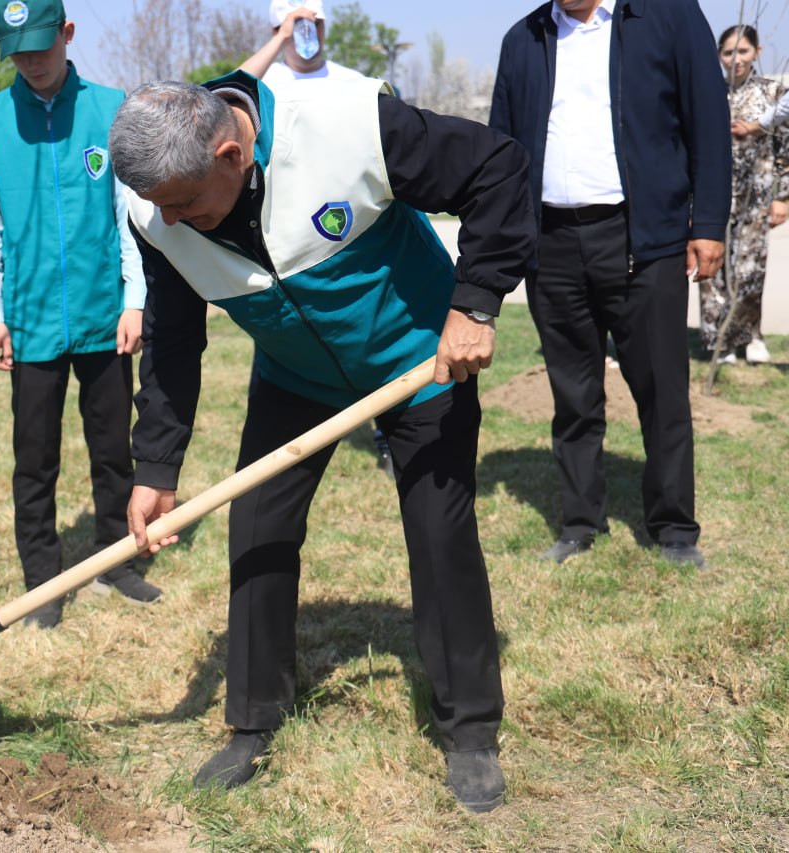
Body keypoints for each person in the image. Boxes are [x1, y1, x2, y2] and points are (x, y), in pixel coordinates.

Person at [109, 71, 535, 811]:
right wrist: (156, 464)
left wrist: (475, 304)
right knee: (258, 524)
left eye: (183, 203)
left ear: (231, 154)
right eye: (158, 207)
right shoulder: (155, 211)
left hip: (418, 358)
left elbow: (497, 167)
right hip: (295, 372)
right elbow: (173, 339)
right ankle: (253, 718)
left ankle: (469, 729)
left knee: (439, 532)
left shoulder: (343, 125)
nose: (168, 221)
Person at [489, 0, 730, 569]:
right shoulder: (523, 39)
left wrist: (710, 223)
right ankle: (579, 521)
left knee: (661, 388)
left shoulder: (666, 16)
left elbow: (708, 119)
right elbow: (500, 146)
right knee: (573, 393)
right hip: (551, 241)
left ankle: (673, 528)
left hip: (642, 237)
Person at [0, 0, 162, 629]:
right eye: (18, 51)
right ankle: (43, 581)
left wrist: (134, 300)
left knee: (112, 448)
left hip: (104, 314)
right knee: (36, 456)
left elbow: (129, 219)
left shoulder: (110, 109)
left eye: (42, 46)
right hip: (28, 322)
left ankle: (118, 559)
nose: (31, 61)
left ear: (67, 34)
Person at [241, 0, 395, 479]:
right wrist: (279, 39)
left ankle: (389, 434)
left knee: (377, 336)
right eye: (294, 24)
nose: (306, 32)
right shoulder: (262, 87)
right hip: (285, 245)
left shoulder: (353, 84)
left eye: (313, 22)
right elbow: (222, 94)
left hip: (352, 233)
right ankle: (280, 448)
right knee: (286, 347)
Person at [706, 25, 786, 365]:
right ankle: (719, 340)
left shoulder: (774, 93)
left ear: (756, 52)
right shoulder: (708, 91)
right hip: (713, 193)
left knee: (750, 266)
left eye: (743, 51)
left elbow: (786, 147)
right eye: (728, 52)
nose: (735, 59)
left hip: (758, 191)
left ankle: (750, 335)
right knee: (713, 267)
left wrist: (782, 197)